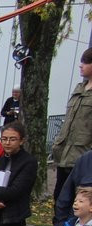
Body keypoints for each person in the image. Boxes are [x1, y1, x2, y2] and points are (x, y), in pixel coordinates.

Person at [51, 48, 92, 201]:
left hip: (83, 156)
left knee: (80, 200)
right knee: (60, 197)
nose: (81, 65)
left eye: (86, 62)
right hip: (64, 155)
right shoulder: (79, 88)